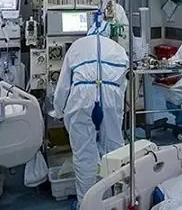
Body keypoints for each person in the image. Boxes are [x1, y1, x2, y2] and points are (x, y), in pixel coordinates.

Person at [52, 13, 129, 208]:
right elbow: (123, 85)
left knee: (84, 155)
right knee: (113, 152)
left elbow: (63, 85)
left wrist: (59, 111)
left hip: (82, 99)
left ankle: (86, 204)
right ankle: (112, 201)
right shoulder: (119, 50)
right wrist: (117, 112)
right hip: (110, 98)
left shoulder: (77, 46)